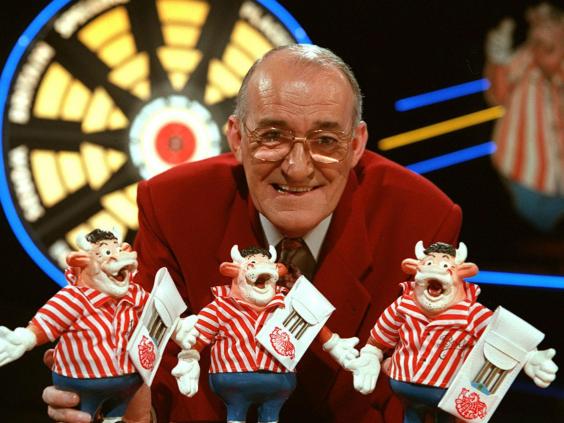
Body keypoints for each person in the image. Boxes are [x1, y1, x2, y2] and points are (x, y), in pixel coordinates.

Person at [42, 44, 462, 423]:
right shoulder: (173, 206)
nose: (297, 167)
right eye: (273, 136)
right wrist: (122, 410)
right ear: (237, 138)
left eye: (325, 140)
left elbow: (408, 390)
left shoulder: (421, 218)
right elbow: (157, 371)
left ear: (355, 146)